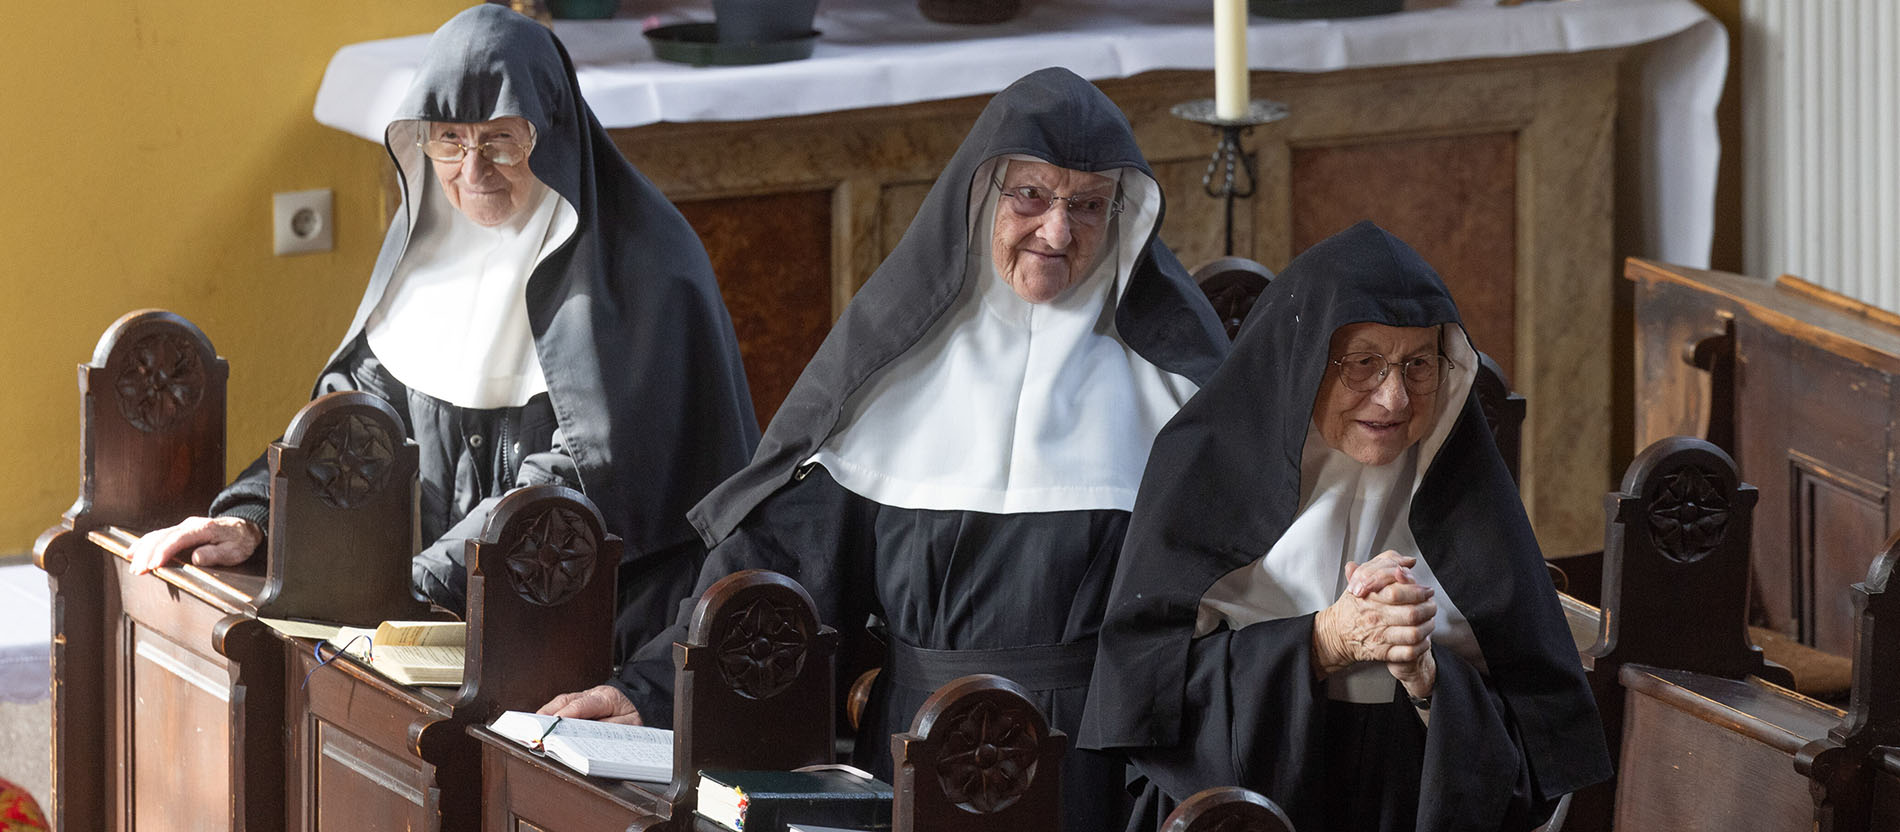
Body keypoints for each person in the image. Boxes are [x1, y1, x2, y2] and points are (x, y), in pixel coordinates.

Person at [540, 67, 1230, 830]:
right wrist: (649, 689)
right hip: (909, 755)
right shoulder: (893, 376)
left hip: (1093, 772)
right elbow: (774, 576)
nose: (1058, 231)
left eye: (1089, 205)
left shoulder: (1174, 395)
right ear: (978, 199)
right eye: (1030, 195)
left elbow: (1238, 595)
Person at [127, 4, 760, 656]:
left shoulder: (648, 269)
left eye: (502, 140)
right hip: (432, 613)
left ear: (555, 132)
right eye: (450, 141)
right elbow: (350, 424)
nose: (472, 171)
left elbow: (584, 481)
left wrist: (416, 590)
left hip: (605, 631)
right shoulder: (427, 248)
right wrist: (253, 517)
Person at [1079, 221, 1611, 832]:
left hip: (1406, 797)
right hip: (1245, 807)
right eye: (1363, 364)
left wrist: (1427, 679)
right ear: (1303, 365)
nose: (1394, 400)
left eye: (1417, 365)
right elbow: (1146, 706)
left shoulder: (1467, 496)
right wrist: (1326, 640)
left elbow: (1529, 753)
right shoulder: (1200, 470)